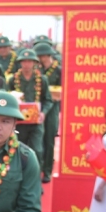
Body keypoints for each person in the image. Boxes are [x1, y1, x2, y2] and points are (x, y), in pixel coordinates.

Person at [7, 48, 52, 181]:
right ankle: (18, 179)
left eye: (29, 61)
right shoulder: (13, 80)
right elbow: (7, 97)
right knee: (18, 151)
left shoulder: (42, 80)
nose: (26, 64)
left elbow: (48, 100)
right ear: (20, 63)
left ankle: (36, 180)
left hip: (36, 122)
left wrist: (43, 113)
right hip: (19, 123)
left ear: (34, 63)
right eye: (24, 61)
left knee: (37, 150)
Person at [34, 42, 62, 183]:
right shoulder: (37, 70)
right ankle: (38, 168)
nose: (40, 59)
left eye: (42, 56)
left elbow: (62, 90)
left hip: (53, 108)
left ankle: (48, 170)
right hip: (38, 107)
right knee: (38, 139)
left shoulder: (58, 70)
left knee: (49, 139)